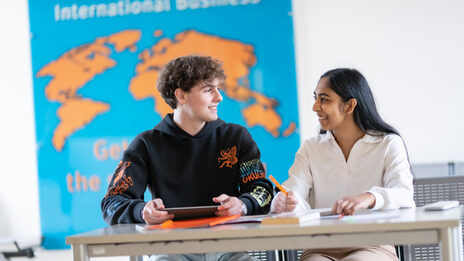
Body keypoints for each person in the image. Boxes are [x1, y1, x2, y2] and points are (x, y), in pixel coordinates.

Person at [101, 55, 273, 261]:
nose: (219, 97)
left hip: (231, 246)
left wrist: (242, 204)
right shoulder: (146, 144)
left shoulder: (237, 136)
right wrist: (142, 210)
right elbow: (112, 202)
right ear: (181, 96)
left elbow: (262, 189)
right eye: (208, 90)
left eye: (218, 89)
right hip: (171, 250)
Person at [271, 68, 415, 261]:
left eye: (324, 99)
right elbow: (293, 193)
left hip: (373, 245)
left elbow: (404, 195)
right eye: (316, 98)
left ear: (349, 106)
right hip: (319, 247)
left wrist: (369, 197)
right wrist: (285, 203)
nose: (315, 107)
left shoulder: (388, 143)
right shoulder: (310, 148)